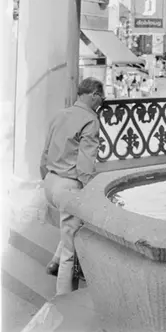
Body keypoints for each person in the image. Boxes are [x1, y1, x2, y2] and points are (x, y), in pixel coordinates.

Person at [40, 77, 105, 295]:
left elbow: (44, 154)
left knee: (70, 226)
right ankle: (63, 300)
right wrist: (91, 193)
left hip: (50, 183)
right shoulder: (90, 120)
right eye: (102, 98)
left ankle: (54, 262)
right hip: (68, 186)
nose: (102, 103)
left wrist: (48, 180)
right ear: (94, 95)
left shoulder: (60, 114)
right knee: (71, 249)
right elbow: (85, 166)